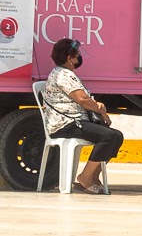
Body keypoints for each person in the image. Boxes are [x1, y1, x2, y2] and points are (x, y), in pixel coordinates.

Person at [41, 38, 124, 195]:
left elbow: (84, 99)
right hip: (67, 124)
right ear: (69, 58)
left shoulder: (66, 73)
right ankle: (85, 177)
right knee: (109, 137)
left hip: (75, 121)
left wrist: (97, 105)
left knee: (117, 136)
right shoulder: (63, 75)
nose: (79, 57)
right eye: (77, 54)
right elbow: (83, 100)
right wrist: (101, 111)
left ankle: (93, 175)